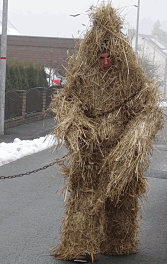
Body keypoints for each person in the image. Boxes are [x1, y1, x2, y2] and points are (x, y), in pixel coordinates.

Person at [50, 4, 163, 263]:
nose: (105, 63)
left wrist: (134, 140)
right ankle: (79, 247)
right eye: (100, 58)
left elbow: (149, 112)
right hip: (91, 153)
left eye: (109, 58)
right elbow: (68, 105)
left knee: (122, 200)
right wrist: (76, 126)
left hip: (122, 156)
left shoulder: (132, 80)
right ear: (93, 55)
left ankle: (118, 240)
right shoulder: (82, 79)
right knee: (84, 198)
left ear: (119, 56)